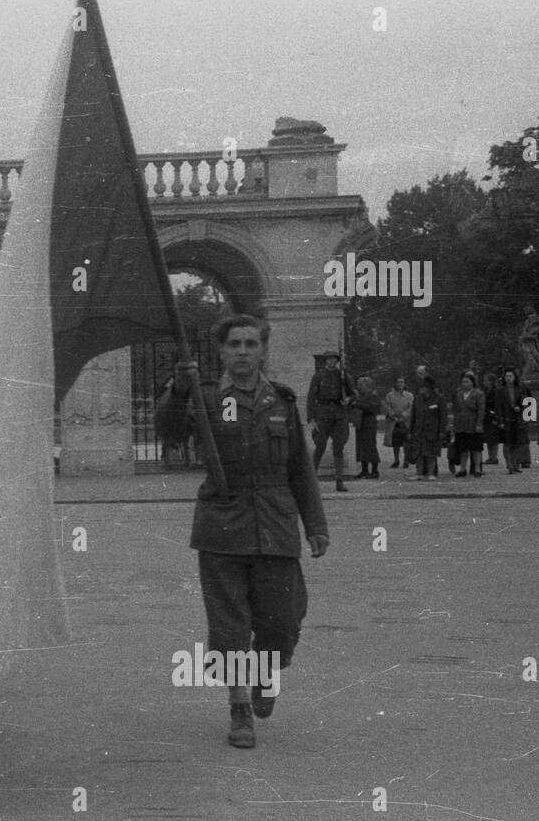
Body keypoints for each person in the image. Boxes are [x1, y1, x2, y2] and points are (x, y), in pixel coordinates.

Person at [158, 314, 328, 749]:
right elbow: (169, 434)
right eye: (234, 344)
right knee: (230, 627)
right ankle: (239, 708)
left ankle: (266, 673)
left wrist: (315, 525)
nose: (243, 352)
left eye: (252, 344)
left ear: (263, 350)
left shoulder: (283, 402)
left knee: (283, 622)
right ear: (221, 351)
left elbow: (300, 470)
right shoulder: (205, 397)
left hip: (275, 523)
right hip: (221, 526)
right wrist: (179, 390)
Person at [307, 351, 355, 492]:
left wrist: (348, 399)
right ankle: (312, 480)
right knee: (320, 446)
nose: (331, 361)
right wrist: (311, 418)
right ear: (325, 361)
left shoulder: (343, 376)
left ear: (337, 361)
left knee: (338, 448)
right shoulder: (318, 376)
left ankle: (339, 480)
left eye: (334, 359)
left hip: (339, 415)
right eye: (328, 359)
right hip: (322, 414)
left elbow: (353, 393)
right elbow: (311, 397)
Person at [408, 374, 445, 481]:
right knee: (418, 452)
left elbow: (443, 416)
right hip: (419, 430)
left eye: (423, 387)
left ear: (429, 388)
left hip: (433, 430)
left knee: (431, 453)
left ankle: (431, 473)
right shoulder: (417, 399)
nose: (421, 389)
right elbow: (413, 416)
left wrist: (442, 430)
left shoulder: (439, 398)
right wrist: (411, 430)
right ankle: (419, 473)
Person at [450, 371, 486, 477]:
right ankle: (463, 468)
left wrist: (479, 424)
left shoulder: (478, 394)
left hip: (473, 424)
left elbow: (481, 410)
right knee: (463, 449)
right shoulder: (459, 394)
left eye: (467, 382)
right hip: (461, 425)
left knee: (475, 448)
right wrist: (454, 424)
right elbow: (455, 410)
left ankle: (477, 469)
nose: (464, 384)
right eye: (463, 382)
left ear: (472, 383)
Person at [493, 367, 529, 474]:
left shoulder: (520, 388)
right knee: (507, 443)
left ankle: (514, 463)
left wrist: (521, 408)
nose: (508, 378)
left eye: (511, 376)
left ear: (514, 377)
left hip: (517, 418)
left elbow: (525, 401)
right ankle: (509, 464)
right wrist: (500, 421)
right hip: (506, 419)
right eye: (507, 376)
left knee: (518, 443)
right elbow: (498, 407)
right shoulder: (500, 390)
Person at [352, 376, 381, 478]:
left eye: (361, 385)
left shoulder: (373, 395)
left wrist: (358, 404)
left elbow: (373, 408)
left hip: (369, 423)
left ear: (367, 385)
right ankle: (364, 470)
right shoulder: (361, 396)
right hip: (361, 423)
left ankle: (375, 470)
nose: (359, 387)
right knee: (361, 447)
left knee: (370, 446)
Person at [383, 377, 412, 469]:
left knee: (406, 442)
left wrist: (404, 416)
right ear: (395, 383)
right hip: (394, 422)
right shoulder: (390, 395)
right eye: (398, 382)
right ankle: (396, 460)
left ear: (404, 384)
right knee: (396, 442)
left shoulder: (409, 395)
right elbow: (388, 407)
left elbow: (410, 407)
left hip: (406, 422)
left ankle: (406, 460)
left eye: (402, 382)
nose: (400, 384)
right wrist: (393, 416)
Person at [481, 372, 502, 465]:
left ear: (491, 382)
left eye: (486, 380)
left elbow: (497, 406)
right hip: (487, 418)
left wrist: (496, 418)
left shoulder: (495, 391)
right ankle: (491, 457)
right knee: (489, 439)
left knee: (493, 440)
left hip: (492, 417)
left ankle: (494, 457)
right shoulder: (486, 391)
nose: (484, 382)